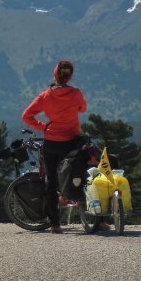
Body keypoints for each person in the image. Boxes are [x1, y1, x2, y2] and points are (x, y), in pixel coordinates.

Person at [21, 59, 88, 233]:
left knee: (51, 182)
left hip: (52, 143)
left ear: (55, 74)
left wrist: (43, 126)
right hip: (72, 141)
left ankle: (55, 224)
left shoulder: (45, 96)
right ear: (70, 76)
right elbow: (83, 109)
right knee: (84, 172)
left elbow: (26, 116)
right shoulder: (76, 94)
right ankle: (98, 218)